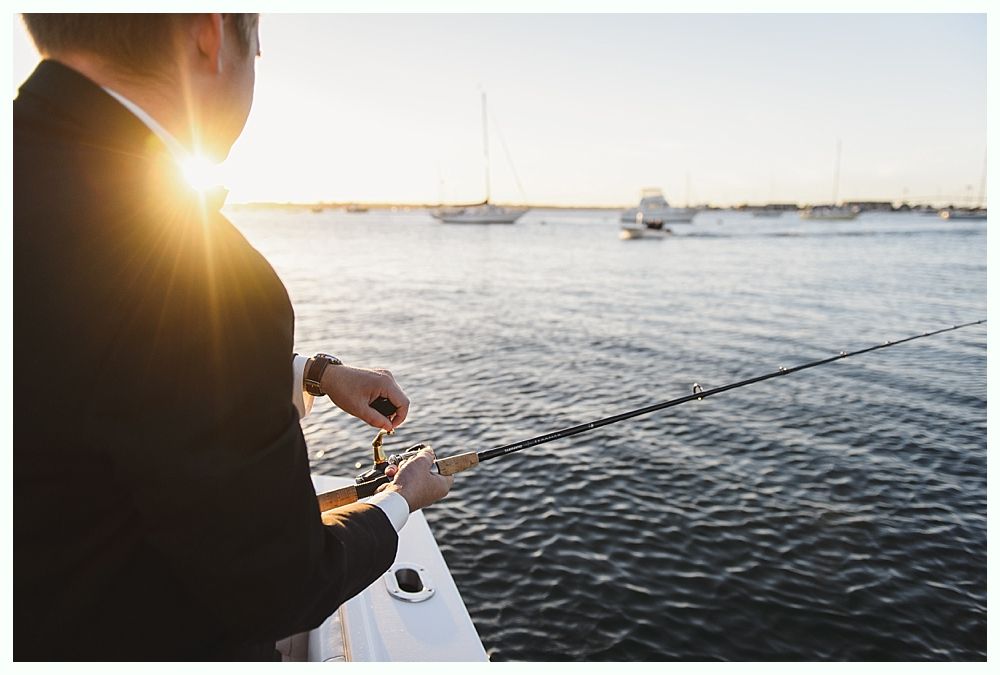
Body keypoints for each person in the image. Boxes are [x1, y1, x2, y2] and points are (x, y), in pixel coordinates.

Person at [13, 13, 452, 660]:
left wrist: (316, 373)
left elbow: (86, 361)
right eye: (259, 50)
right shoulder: (207, 271)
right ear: (209, 33)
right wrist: (401, 499)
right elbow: (283, 587)